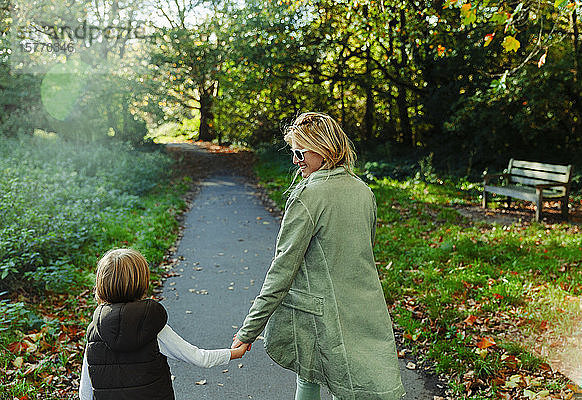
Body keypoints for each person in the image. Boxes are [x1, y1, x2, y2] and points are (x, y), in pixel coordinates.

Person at [231, 112, 405, 400]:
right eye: (293, 153)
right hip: (365, 308)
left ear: (323, 148)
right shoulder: (364, 192)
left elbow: (282, 270)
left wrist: (248, 331)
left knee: (312, 376)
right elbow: (364, 250)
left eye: (300, 153)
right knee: (346, 384)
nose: (295, 161)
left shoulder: (308, 196)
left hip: (321, 312)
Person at [78, 248, 249, 400]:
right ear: (142, 282)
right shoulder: (151, 326)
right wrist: (234, 353)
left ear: (100, 284)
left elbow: (85, 393)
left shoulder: (95, 330)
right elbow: (199, 358)